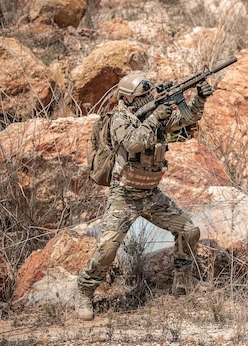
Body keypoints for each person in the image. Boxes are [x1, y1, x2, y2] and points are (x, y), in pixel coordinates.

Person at [75, 71, 213, 321]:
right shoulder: (120, 118)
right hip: (125, 195)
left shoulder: (154, 114)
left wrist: (199, 99)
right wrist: (156, 116)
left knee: (189, 231)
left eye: (149, 94)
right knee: (107, 248)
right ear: (128, 100)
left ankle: (183, 283)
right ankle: (85, 292)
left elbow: (185, 118)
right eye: (143, 95)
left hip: (150, 194)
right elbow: (133, 143)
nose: (148, 97)